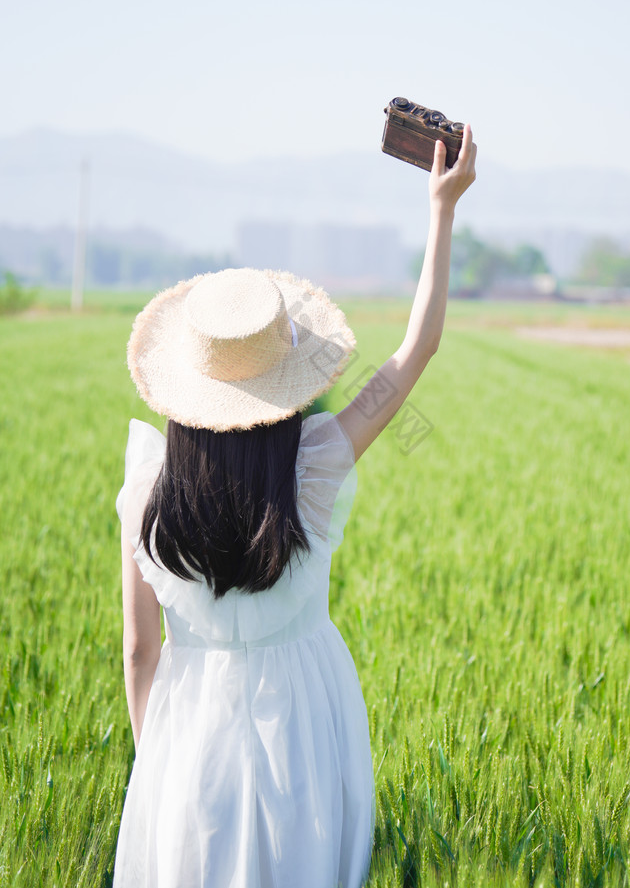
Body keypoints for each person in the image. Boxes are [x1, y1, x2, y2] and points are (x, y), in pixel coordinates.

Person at [114, 126, 477, 888]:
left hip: (190, 738)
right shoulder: (315, 465)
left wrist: (162, 764)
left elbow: (140, 655)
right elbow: (417, 350)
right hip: (307, 728)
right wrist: (441, 210)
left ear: (185, 391)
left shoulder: (148, 490)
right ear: (287, 387)